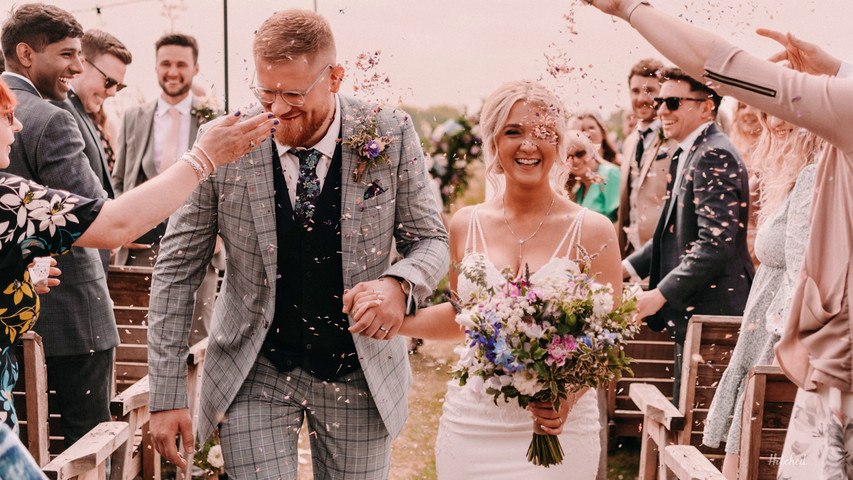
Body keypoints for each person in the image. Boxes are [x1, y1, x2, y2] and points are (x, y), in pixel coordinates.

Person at [145, 9, 448, 479]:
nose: (278, 108)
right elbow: (177, 268)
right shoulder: (223, 142)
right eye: (266, 92)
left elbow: (429, 240)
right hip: (255, 369)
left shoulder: (390, 132)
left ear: (335, 77)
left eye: (293, 93)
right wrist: (165, 395)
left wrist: (398, 284)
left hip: (359, 371)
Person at [585, 2, 853, 475]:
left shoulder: (725, 154)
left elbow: (724, 64)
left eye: (672, 101)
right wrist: (833, 69)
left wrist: (628, 8)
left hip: (822, 361)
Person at [348, 80, 622, 479]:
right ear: (493, 141)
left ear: (560, 143)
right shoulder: (465, 223)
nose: (529, 145)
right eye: (514, 132)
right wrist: (390, 319)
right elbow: (464, 318)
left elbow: (606, 342)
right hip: (472, 424)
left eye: (543, 133)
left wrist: (567, 397)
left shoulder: (594, 230)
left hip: (558, 427)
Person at [0, 76, 277, 433]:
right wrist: (203, 158)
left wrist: (17, 279)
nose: (19, 124)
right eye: (8, 115)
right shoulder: (10, 202)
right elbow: (118, 224)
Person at [1, 4, 119, 447]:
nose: (78, 65)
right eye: (68, 54)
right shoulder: (51, 117)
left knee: (24, 449)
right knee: (86, 449)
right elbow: (98, 215)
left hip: (10, 319)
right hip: (73, 320)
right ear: (27, 54)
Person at [621, 67, 754, 406]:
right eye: (660, 100)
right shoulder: (686, 151)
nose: (661, 109)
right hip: (693, 313)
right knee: (687, 411)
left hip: (716, 315)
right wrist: (625, 268)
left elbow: (714, 245)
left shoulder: (714, 154)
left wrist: (658, 295)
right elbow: (671, 232)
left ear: (706, 106)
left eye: (673, 102)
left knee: (702, 424)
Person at [702, 112, 820, 479]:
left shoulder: (812, 175)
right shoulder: (796, 173)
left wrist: (786, 338)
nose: (774, 122)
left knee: (755, 455)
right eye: (768, 113)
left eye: (788, 113)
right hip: (762, 334)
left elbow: (804, 265)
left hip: (778, 335)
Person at [111, 33, 222, 346]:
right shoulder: (133, 117)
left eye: (181, 64)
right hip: (140, 246)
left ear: (195, 68)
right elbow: (119, 179)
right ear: (156, 66)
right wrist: (122, 227)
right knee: (136, 336)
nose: (173, 71)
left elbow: (229, 184)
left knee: (195, 340)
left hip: (197, 244)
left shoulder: (214, 118)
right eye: (166, 64)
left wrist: (220, 235)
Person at [615, 58, 676, 258]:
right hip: (630, 252)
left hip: (665, 253)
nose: (642, 98)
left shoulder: (675, 139)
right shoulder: (631, 141)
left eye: (650, 90)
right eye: (635, 91)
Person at [564, 129, 621, 222]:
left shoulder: (609, 173)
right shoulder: (579, 189)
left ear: (591, 150)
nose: (576, 160)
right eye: (568, 157)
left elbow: (620, 219)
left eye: (580, 153)